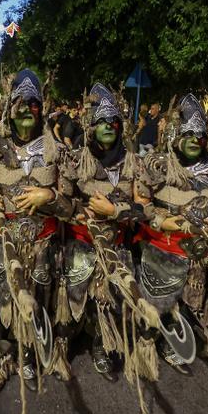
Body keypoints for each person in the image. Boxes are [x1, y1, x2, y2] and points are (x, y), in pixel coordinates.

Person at [0, 69, 73, 392]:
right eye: (20, 102)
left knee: (37, 302)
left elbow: (72, 206)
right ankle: (3, 360)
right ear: (9, 106)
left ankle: (28, 358)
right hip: (1, 241)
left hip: (41, 244)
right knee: (4, 302)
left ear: (41, 107)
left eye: (33, 103)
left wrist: (51, 196)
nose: (26, 109)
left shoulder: (56, 149)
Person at [135, 94, 208, 372]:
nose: (195, 139)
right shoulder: (157, 164)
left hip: (201, 255)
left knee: (192, 308)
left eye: (200, 134)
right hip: (163, 249)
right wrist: (160, 220)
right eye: (189, 133)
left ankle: (175, 341)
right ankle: (149, 343)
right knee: (155, 311)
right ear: (176, 134)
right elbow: (139, 203)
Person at [58, 83, 144, 381]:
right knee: (72, 298)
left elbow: (145, 209)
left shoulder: (133, 162)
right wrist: (80, 213)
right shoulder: (74, 159)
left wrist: (115, 212)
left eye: (114, 122)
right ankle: (62, 344)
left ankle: (101, 345)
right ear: (90, 127)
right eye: (102, 122)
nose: (109, 127)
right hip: (80, 243)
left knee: (110, 302)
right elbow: (62, 202)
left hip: (117, 245)